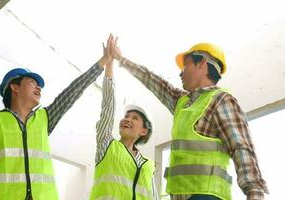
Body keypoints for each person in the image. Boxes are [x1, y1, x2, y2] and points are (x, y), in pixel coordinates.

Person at [0, 36, 113, 200]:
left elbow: (73, 91)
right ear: (15, 87)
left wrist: (103, 61)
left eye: (39, 85)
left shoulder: (44, 119)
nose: (39, 87)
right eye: (32, 82)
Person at [110, 40, 268, 200]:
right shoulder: (182, 102)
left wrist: (254, 192)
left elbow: (240, 147)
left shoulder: (221, 100)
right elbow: (154, 81)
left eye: (186, 66)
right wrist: (121, 60)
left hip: (207, 196)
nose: (181, 72)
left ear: (202, 63)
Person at [89, 37, 158, 200]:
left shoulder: (148, 165)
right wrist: (110, 65)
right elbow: (108, 107)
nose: (127, 119)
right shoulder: (106, 144)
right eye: (126, 116)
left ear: (144, 131)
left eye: (135, 118)